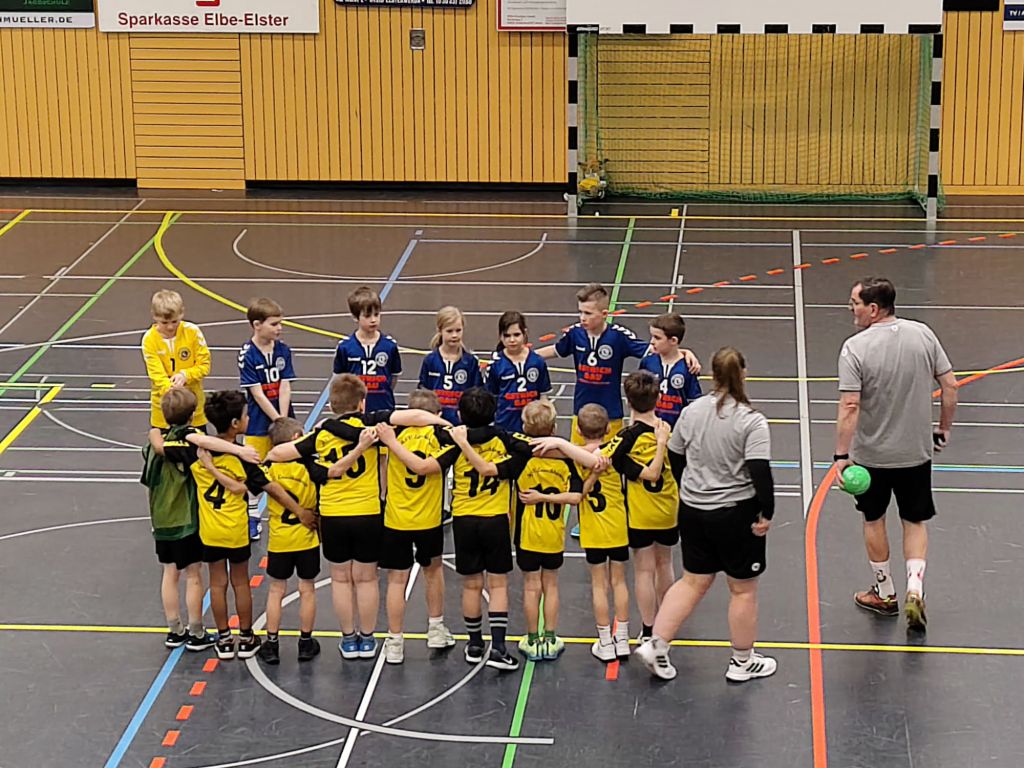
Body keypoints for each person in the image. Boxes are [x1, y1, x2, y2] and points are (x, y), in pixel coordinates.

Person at [266, 374, 447, 661]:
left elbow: (278, 452)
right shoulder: (370, 428)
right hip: (367, 513)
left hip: (334, 515)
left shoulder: (322, 435)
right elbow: (413, 415)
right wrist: (443, 423)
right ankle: (368, 637)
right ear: (362, 403)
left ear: (331, 405)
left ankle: (349, 639)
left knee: (340, 579)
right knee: (366, 580)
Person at [635, 347, 777, 683]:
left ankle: (656, 644)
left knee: (692, 580)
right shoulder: (751, 421)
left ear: (713, 375)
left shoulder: (692, 411)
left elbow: (675, 454)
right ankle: (742, 661)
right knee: (742, 589)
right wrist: (766, 511)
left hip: (693, 510)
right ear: (743, 373)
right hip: (735, 513)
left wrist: (690, 485)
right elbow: (759, 471)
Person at [833, 277, 958, 631]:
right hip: (915, 453)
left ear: (873, 309)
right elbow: (950, 385)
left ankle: (885, 592)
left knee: (873, 519)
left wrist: (841, 455)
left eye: (855, 303)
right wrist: (944, 428)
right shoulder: (923, 335)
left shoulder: (854, 348)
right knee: (914, 521)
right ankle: (915, 588)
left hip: (871, 457)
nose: (851, 309)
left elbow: (850, 405)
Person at [157, 390, 312, 661]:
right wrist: (299, 510)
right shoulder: (245, 458)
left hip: (210, 531)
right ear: (235, 424)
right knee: (240, 583)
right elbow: (272, 488)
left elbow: (162, 445)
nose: (249, 418)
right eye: (246, 415)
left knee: (217, 584)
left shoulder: (196, 451)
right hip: (236, 531)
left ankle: (224, 639)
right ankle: (247, 636)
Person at [536, 283, 698, 537]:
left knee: (611, 467)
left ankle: (614, 512)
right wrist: (524, 356)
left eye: (588, 313)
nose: (582, 318)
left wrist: (686, 352)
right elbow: (555, 350)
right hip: (582, 414)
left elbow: (656, 349)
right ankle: (584, 516)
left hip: (611, 416)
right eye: (580, 312)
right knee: (580, 465)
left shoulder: (618, 336)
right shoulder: (575, 334)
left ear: (604, 314)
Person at [143, 388, 258, 653]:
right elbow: (204, 443)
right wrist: (238, 451)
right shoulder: (192, 446)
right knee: (195, 574)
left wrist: (154, 433)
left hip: (161, 518)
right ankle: (197, 630)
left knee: (170, 573)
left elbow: (152, 458)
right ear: (193, 414)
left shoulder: (157, 444)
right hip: (189, 519)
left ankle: (175, 630)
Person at [449, 386, 533, 672]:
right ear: (494, 413)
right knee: (497, 585)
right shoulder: (505, 440)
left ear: (460, 414)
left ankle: (474, 645)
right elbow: (528, 447)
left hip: (464, 519)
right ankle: (498, 647)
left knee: (471, 585)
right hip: (495, 519)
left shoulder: (453, 440)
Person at [375, 389, 461, 665]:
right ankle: (435, 629)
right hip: (428, 519)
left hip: (396, 518)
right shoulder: (443, 436)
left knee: (396, 580)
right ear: (437, 414)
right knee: (433, 572)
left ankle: (395, 641)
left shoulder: (393, 433)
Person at [608, 371, 678, 642]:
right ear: (658, 398)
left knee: (644, 571)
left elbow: (603, 457)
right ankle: (666, 625)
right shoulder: (669, 432)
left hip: (640, 514)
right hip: (668, 511)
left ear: (628, 401)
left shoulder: (626, 438)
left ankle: (648, 630)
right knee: (665, 564)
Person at [513, 401, 585, 661]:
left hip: (526, 534)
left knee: (531, 586)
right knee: (551, 585)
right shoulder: (567, 461)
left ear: (524, 427)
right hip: (553, 535)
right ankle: (551, 638)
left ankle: (533, 639)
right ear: (554, 429)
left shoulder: (521, 458)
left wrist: (539, 497)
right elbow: (576, 497)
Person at [258, 417, 322, 666]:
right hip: (307, 538)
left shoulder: (270, 468)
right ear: (296, 439)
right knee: (307, 589)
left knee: (276, 590)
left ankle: (272, 643)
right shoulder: (310, 467)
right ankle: (305, 642)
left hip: (280, 539)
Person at [573, 404, 633, 661]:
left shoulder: (576, 458)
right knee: (619, 581)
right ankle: (623, 638)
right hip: (617, 524)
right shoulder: (615, 454)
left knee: (599, 584)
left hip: (593, 528)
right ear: (609, 428)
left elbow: (578, 493)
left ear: (578, 430)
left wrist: (592, 475)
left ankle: (605, 641)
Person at [239, 297, 296, 541]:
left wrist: (283, 420)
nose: (279, 328)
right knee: (255, 468)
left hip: (284, 418)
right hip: (258, 422)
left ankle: (288, 508)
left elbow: (285, 385)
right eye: (274, 324)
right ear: (257, 325)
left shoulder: (283, 350)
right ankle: (252, 515)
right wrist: (276, 420)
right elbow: (257, 393)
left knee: (287, 464)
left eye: (280, 323)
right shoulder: (247, 354)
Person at [142, 289, 211, 431]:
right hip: (164, 413)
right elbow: (157, 375)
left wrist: (185, 375)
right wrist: (172, 390)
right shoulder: (149, 339)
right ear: (154, 316)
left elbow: (204, 365)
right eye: (164, 322)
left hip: (194, 411)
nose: (170, 327)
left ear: (182, 313)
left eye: (175, 321)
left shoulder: (193, 332)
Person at [333, 286, 402, 413]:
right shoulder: (345, 347)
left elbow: (393, 377)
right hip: (354, 409)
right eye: (367, 316)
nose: (373, 320)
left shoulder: (390, 346)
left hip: (383, 407)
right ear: (355, 317)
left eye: (376, 314)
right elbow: (339, 380)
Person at [485, 311, 551, 434]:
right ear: (500, 336)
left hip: (532, 427)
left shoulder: (537, 361)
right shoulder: (496, 364)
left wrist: (546, 420)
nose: (512, 340)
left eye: (516, 335)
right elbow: (491, 398)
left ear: (525, 333)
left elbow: (543, 395)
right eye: (507, 335)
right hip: (505, 426)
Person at [418, 306, 483, 425]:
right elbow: (423, 393)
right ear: (439, 330)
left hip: (461, 424)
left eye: (458, 330)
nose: (454, 335)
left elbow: (476, 393)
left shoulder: (470, 362)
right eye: (449, 331)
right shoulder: (430, 360)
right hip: (435, 422)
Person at [639, 313, 703, 428]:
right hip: (649, 428)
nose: (652, 341)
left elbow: (693, 402)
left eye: (657, 338)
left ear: (673, 340)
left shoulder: (688, 367)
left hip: (678, 429)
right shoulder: (648, 362)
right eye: (652, 336)